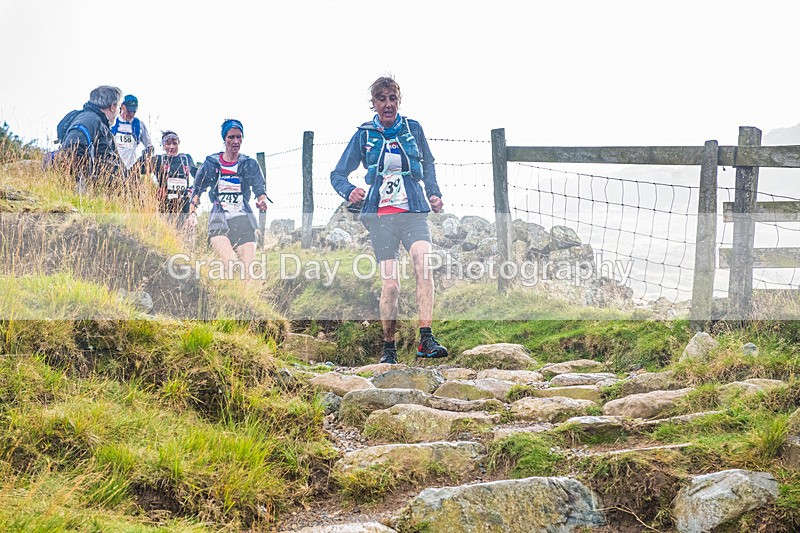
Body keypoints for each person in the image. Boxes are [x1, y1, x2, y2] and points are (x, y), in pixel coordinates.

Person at [330, 76, 447, 365]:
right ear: (374, 103)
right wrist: (351, 191)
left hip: (413, 212)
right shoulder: (364, 135)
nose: (388, 104)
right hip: (381, 218)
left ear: (399, 100)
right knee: (391, 286)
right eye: (382, 99)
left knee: (423, 263)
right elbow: (337, 174)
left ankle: (426, 339)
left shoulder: (412, 129)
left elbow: (429, 163)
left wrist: (433, 193)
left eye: (392, 98)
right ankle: (389, 348)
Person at [189, 119, 268, 281]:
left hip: (244, 221)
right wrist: (192, 214)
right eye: (231, 137)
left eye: (239, 137)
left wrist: (262, 200)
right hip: (219, 221)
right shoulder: (211, 164)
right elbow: (197, 190)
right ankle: (227, 298)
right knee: (231, 266)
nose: (235, 141)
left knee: (249, 274)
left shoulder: (249, 164)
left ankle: (246, 304)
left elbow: (260, 189)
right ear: (224, 139)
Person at [55, 85, 123, 185]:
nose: (119, 112)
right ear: (113, 107)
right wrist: (80, 184)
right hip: (85, 194)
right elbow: (73, 147)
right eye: (119, 107)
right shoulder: (89, 120)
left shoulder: (96, 121)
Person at [152, 130, 197, 227]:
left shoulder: (186, 159)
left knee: (185, 237)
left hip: (184, 206)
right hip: (165, 206)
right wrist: (152, 192)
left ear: (179, 144)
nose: (171, 147)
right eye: (168, 144)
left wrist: (192, 191)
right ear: (163, 145)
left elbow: (200, 177)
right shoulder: (158, 159)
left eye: (174, 143)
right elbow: (138, 170)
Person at [111, 94, 154, 175]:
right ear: (122, 106)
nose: (132, 113)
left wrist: (143, 161)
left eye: (134, 111)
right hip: (113, 168)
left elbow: (149, 146)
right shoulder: (112, 123)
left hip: (132, 169)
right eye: (129, 110)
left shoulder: (139, 125)